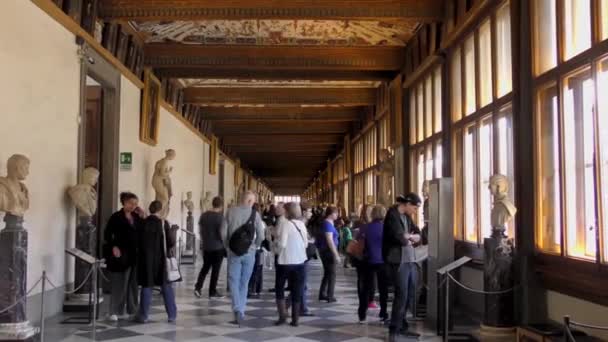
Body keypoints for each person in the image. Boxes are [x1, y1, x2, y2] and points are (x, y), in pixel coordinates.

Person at [221, 190, 265, 325]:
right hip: (249, 252)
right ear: (251, 201)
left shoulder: (230, 211)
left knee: (233, 281)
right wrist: (254, 246)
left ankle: (237, 310)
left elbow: (223, 231)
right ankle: (241, 310)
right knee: (244, 282)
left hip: (234, 252)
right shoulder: (255, 214)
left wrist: (227, 246)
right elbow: (261, 235)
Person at [383, 194, 422, 339]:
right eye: (415, 207)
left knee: (411, 293)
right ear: (407, 203)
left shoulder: (407, 216)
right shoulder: (392, 215)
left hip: (409, 259)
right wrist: (408, 238)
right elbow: (400, 238)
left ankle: (402, 325)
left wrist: (411, 237)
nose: (415, 211)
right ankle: (394, 330)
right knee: (402, 294)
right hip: (397, 261)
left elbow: (418, 233)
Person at [104, 192, 144, 322]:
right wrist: (113, 246)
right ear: (124, 202)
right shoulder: (116, 217)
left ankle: (132, 309)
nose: (133, 206)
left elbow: (143, 232)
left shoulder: (136, 217)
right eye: (131, 203)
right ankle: (114, 311)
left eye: (135, 204)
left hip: (134, 256)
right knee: (119, 284)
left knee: (133, 285)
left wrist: (143, 216)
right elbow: (107, 235)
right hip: (121, 255)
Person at [136, 201, 178, 323]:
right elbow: (170, 243)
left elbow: (138, 241)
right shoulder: (163, 223)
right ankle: (172, 315)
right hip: (161, 260)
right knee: (166, 287)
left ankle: (143, 316)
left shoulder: (143, 223)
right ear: (160, 210)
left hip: (146, 260)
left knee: (147, 286)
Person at [274, 202, 308, 326]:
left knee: (280, 288)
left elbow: (282, 244)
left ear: (287, 212)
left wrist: (275, 248)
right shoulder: (302, 225)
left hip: (285, 262)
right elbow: (306, 244)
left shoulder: (286, 225)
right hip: (300, 262)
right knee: (297, 289)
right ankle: (295, 320)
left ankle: (282, 316)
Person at [356, 204, 389, 324]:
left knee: (365, 288)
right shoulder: (386, 228)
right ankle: (383, 314)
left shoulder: (365, 227)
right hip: (383, 261)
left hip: (368, 260)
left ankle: (362, 315)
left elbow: (360, 245)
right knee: (383, 289)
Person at [194, 196, 226, 299]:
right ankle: (212, 292)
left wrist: (204, 240)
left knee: (205, 268)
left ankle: (198, 288)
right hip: (217, 247)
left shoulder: (204, 215)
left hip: (206, 246)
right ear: (221, 205)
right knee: (215, 270)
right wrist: (224, 243)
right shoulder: (220, 217)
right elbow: (221, 233)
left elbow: (200, 229)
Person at [316, 206, 341, 303]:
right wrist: (336, 254)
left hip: (326, 251)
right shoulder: (327, 224)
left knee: (327, 273)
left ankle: (322, 294)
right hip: (328, 251)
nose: (337, 215)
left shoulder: (329, 223)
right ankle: (330, 295)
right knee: (332, 274)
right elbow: (329, 240)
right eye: (336, 213)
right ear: (331, 214)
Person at [248, 203, 266, 299]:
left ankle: (251, 288)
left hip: (249, 248)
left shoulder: (247, 220)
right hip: (258, 248)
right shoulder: (262, 223)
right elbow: (263, 237)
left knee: (251, 269)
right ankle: (256, 289)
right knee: (258, 269)